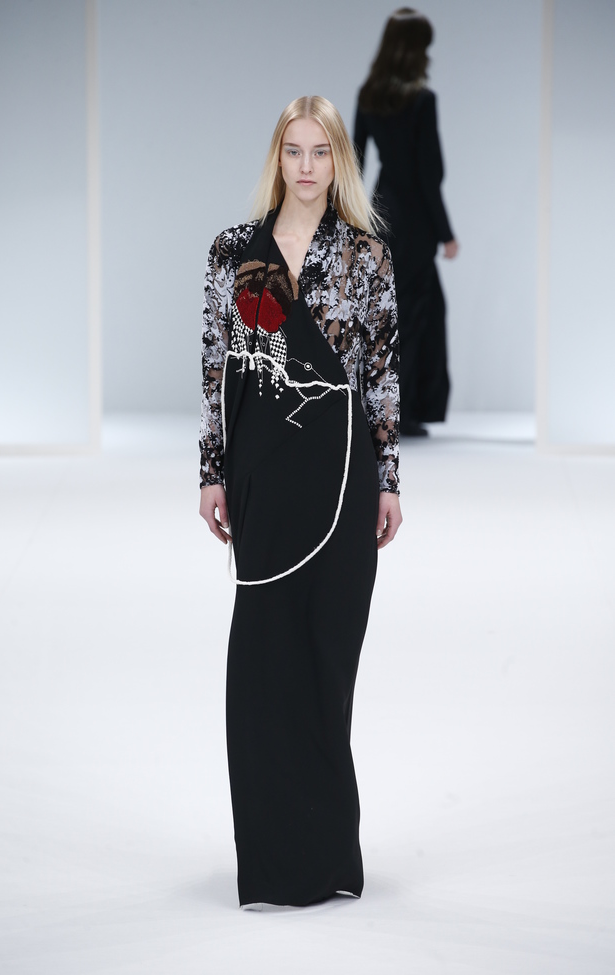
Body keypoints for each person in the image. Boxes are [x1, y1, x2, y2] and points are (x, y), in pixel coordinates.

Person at [199, 95, 401, 909]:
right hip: (262, 474)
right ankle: (272, 860)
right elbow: (217, 366)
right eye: (294, 150)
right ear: (277, 158)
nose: (307, 167)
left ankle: (326, 856)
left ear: (338, 160)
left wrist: (390, 480)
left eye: (321, 152)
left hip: (345, 473)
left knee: (327, 661)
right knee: (262, 660)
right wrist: (211, 471)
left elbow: (382, 372)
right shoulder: (234, 251)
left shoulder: (365, 256)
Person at [354, 7, 458, 437]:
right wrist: (445, 233)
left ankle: (380, 411)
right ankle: (406, 412)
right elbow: (429, 175)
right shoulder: (422, 100)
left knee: (384, 316)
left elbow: (355, 161)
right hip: (414, 219)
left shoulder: (368, 95)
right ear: (416, 51)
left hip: (381, 212)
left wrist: (352, 218)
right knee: (418, 315)